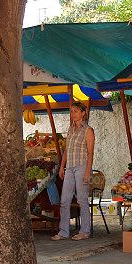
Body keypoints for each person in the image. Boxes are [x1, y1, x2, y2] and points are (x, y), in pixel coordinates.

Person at [53, 101, 95, 241]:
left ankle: (85, 231)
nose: (73, 114)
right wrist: (62, 166)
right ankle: (63, 231)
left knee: (82, 199)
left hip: (81, 166)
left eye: (75, 111)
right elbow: (66, 150)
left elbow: (90, 153)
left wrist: (88, 172)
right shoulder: (70, 129)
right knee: (64, 200)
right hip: (70, 168)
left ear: (83, 113)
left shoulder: (88, 130)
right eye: (71, 111)